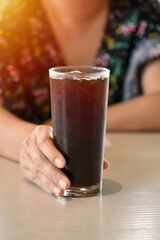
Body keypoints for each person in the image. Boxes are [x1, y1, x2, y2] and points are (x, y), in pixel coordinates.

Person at [0, 0, 160, 197]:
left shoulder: (141, 10)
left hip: (123, 189)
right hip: (29, 198)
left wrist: (81, 124)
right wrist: (34, 144)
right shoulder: (8, 17)